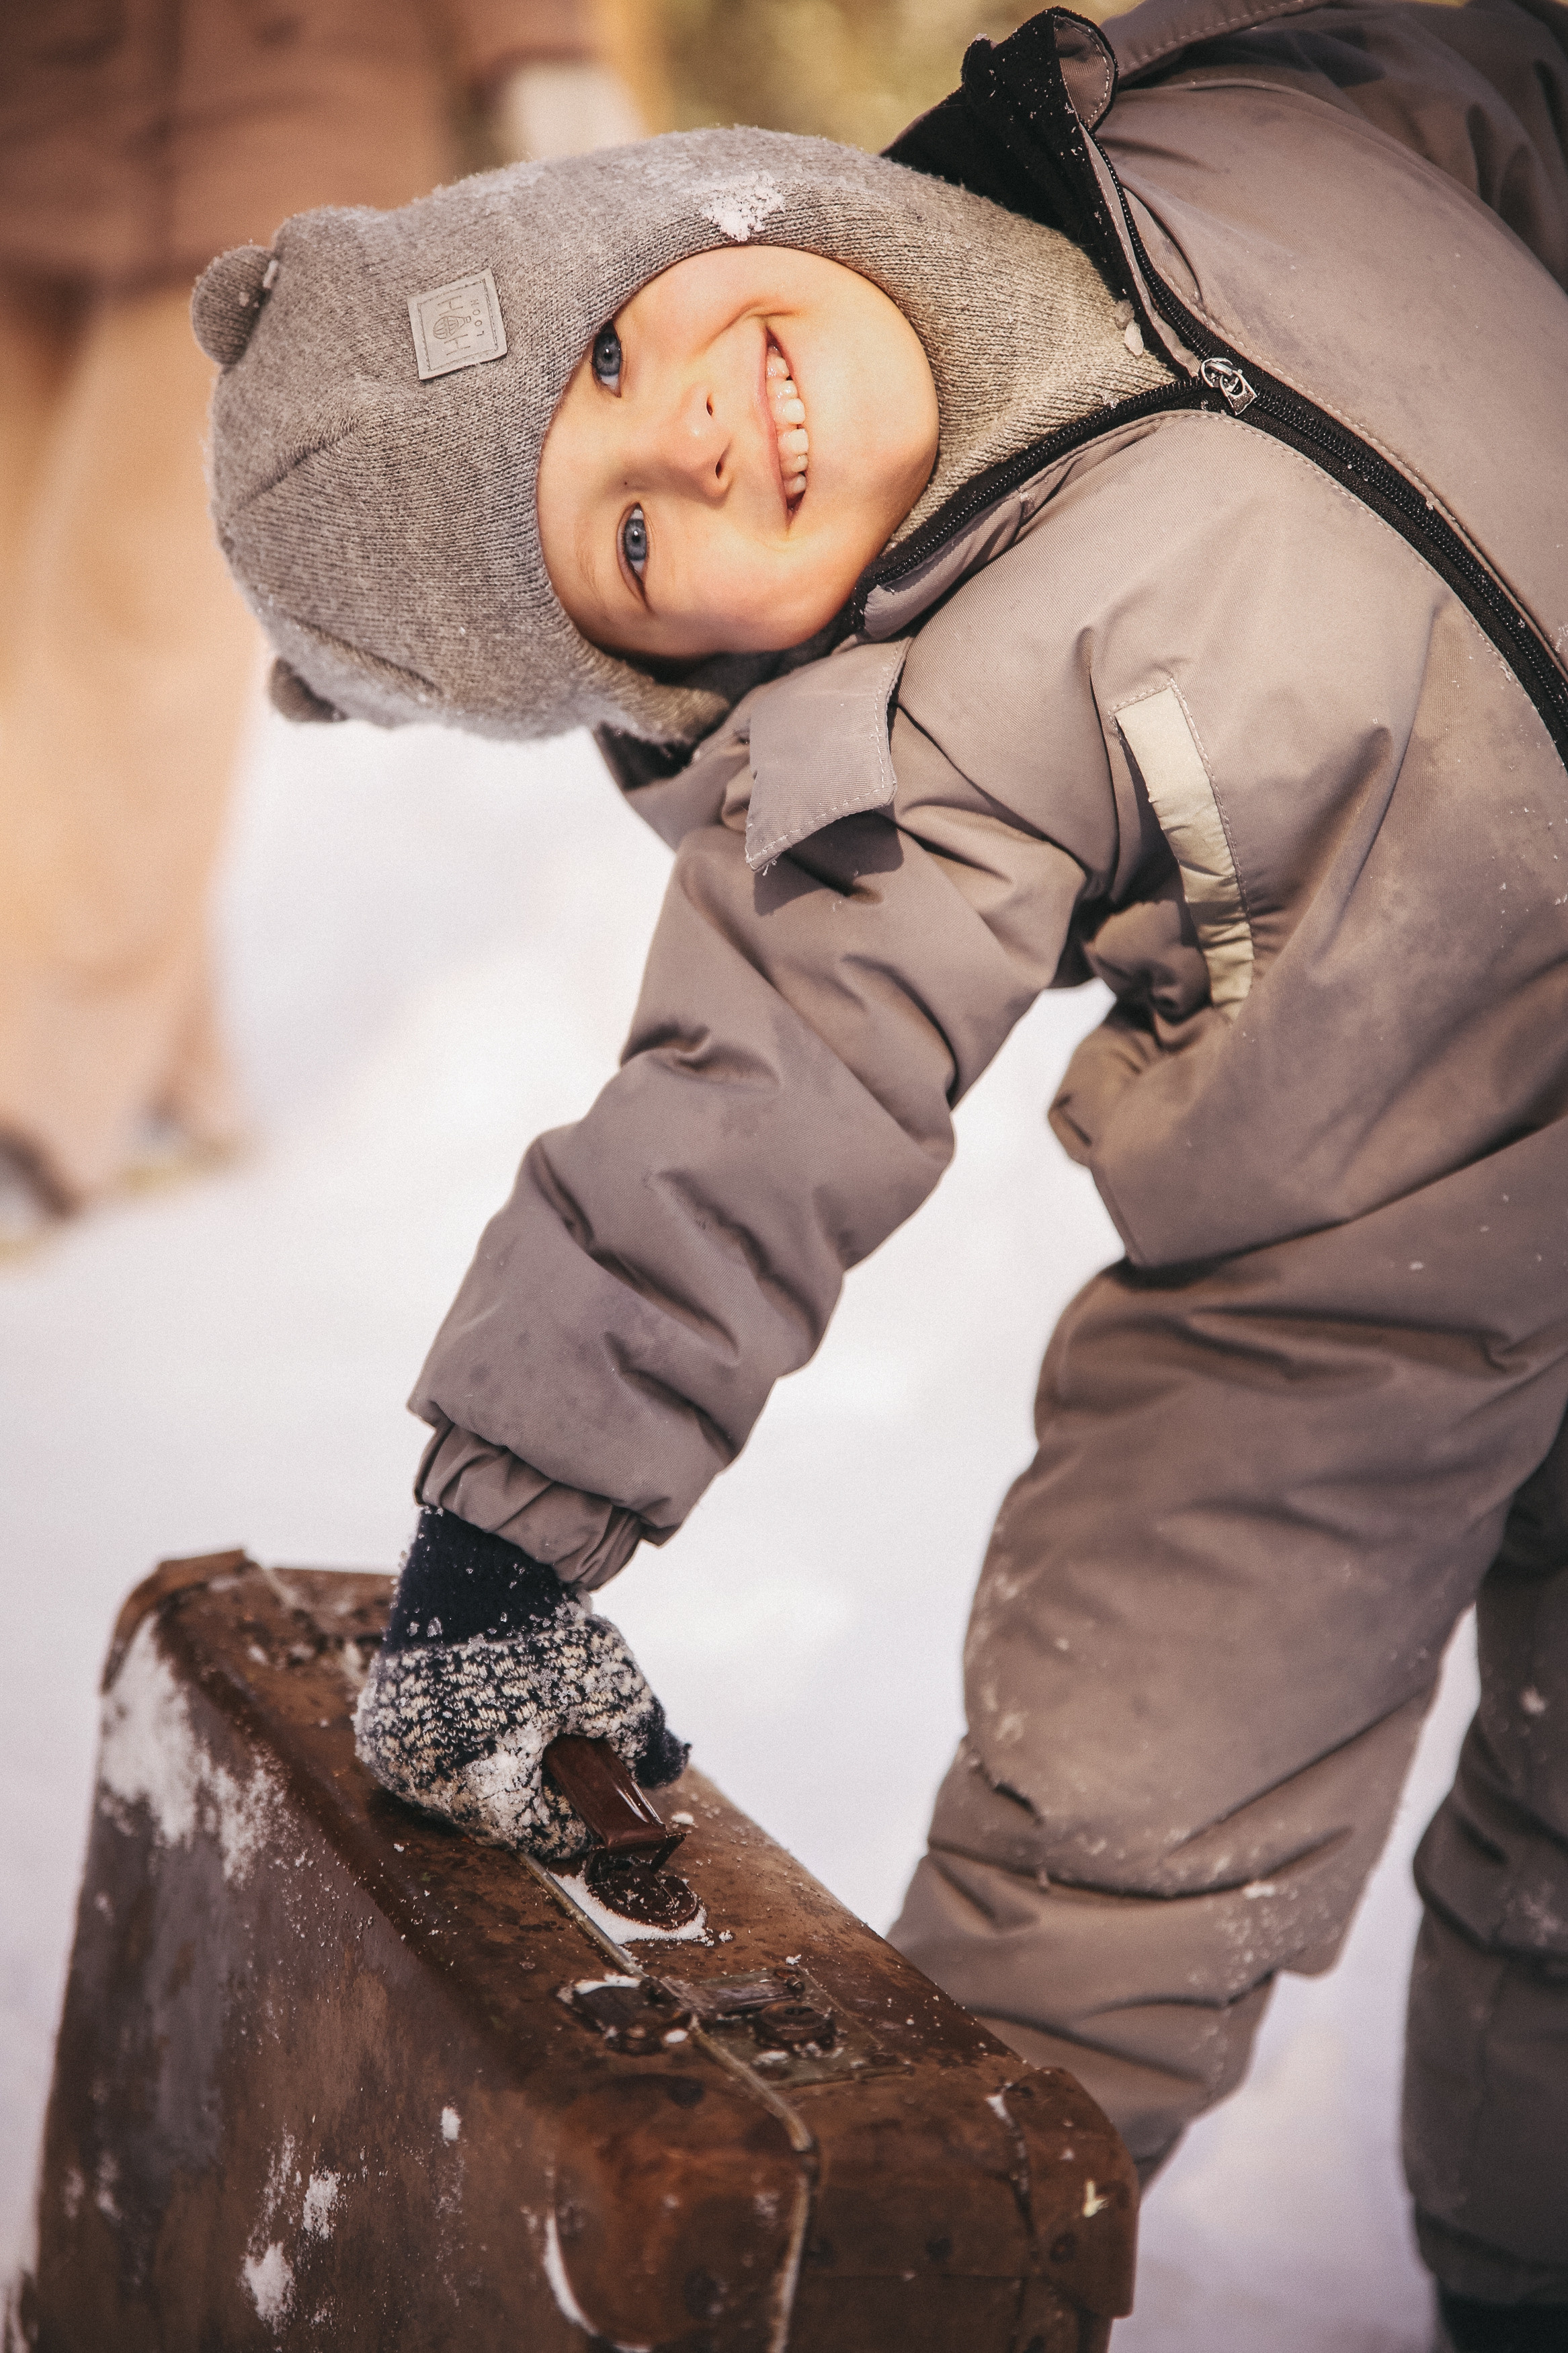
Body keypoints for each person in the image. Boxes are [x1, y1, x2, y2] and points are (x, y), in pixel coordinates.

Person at [196, 0, 1568, 2340]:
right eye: (627, 533)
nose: (696, 429)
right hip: (1352, 1286)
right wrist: (510, 1531)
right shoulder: (901, 735)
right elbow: (743, 1102)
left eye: (611, 341)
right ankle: (927, 2281)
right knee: (1113, 1831)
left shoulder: (1219, 110)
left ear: (682, 204)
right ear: (666, 686)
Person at [0, 0, 636, 1251]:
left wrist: (541, 54)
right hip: (44, 106)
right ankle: (173, 1082)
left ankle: (38, 1090)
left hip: (286, 114)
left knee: (132, 620)